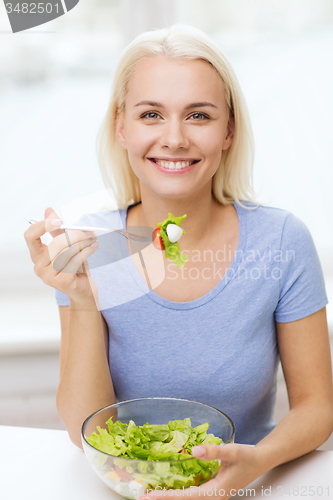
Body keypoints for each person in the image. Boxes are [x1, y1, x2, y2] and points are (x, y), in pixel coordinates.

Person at [24, 24, 333, 497]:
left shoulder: (281, 241)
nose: (174, 138)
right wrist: (82, 299)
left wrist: (257, 462)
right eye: (151, 114)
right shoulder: (95, 248)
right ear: (121, 127)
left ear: (229, 130)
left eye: (198, 115)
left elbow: (317, 408)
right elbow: (88, 427)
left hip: (253, 485)